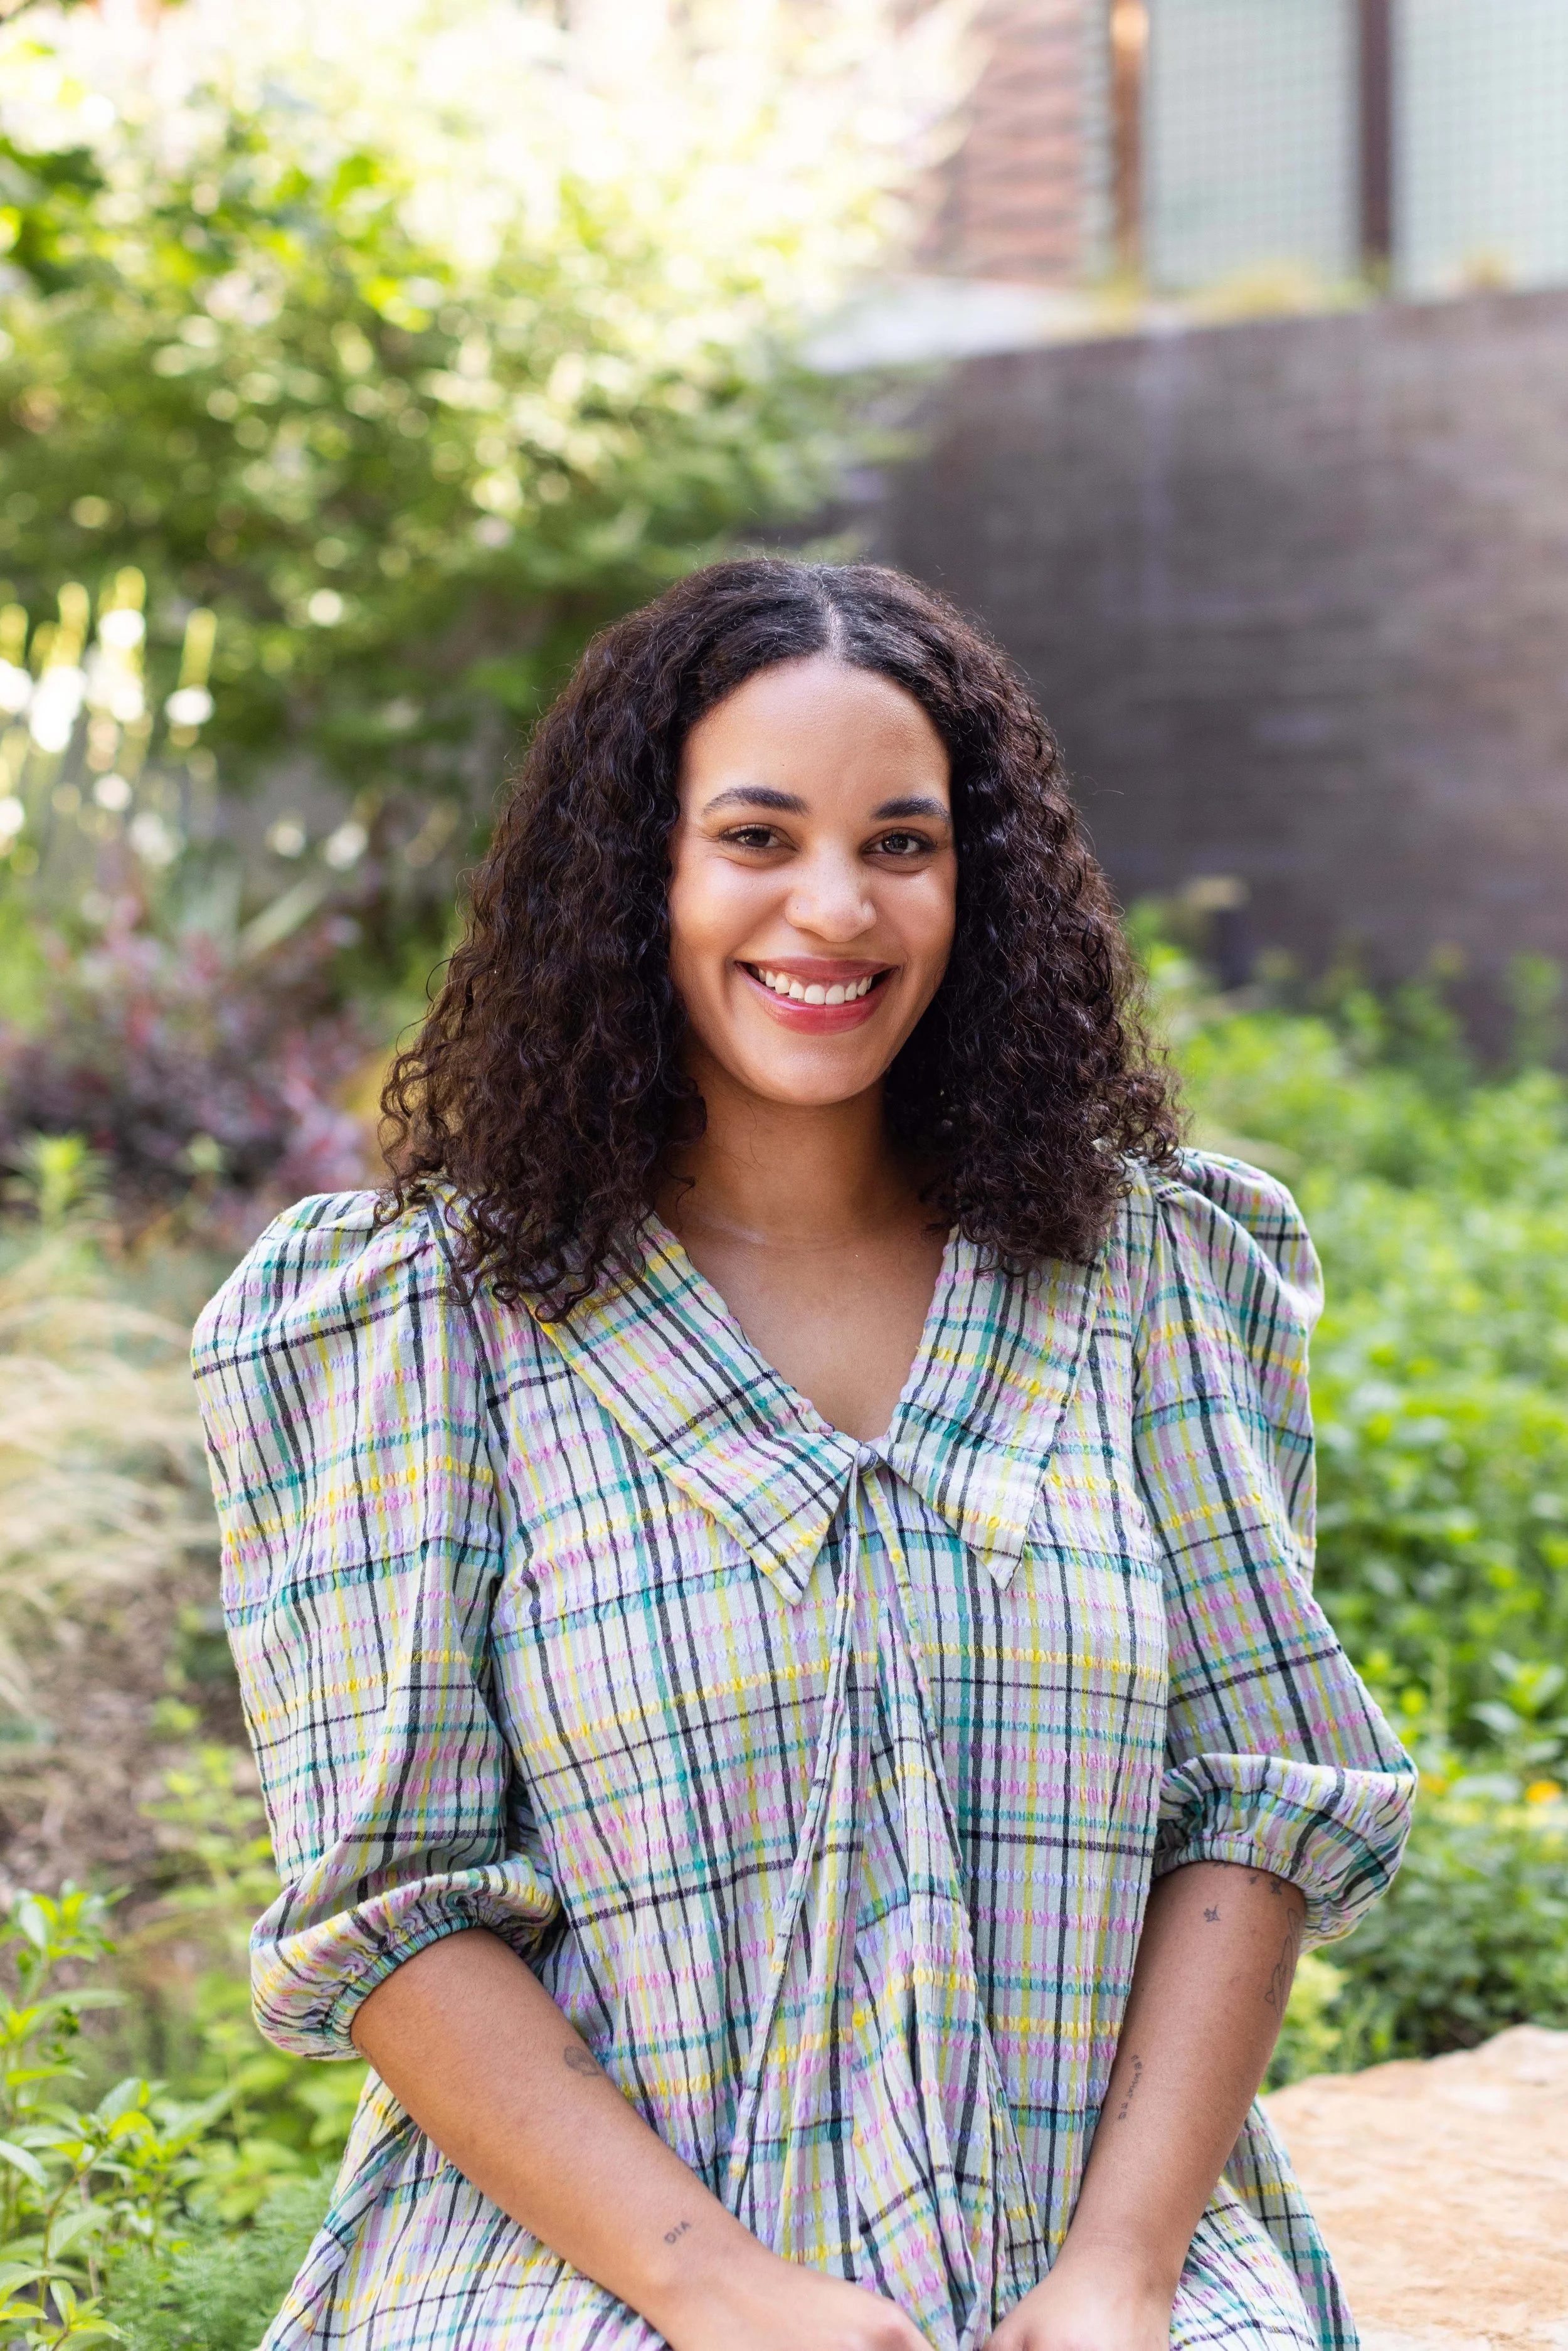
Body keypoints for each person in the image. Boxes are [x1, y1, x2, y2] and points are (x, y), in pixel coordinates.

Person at [193, 560, 1413, 2351]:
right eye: (756, 837)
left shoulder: (1150, 1272)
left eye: (901, 844)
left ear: (972, 884)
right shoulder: (415, 1322)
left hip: (1093, 2252)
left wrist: (1121, 2270)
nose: (833, 908)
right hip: (592, 2268)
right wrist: (725, 2293)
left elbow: (1254, 1794)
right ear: (639, 876)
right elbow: (390, 1905)